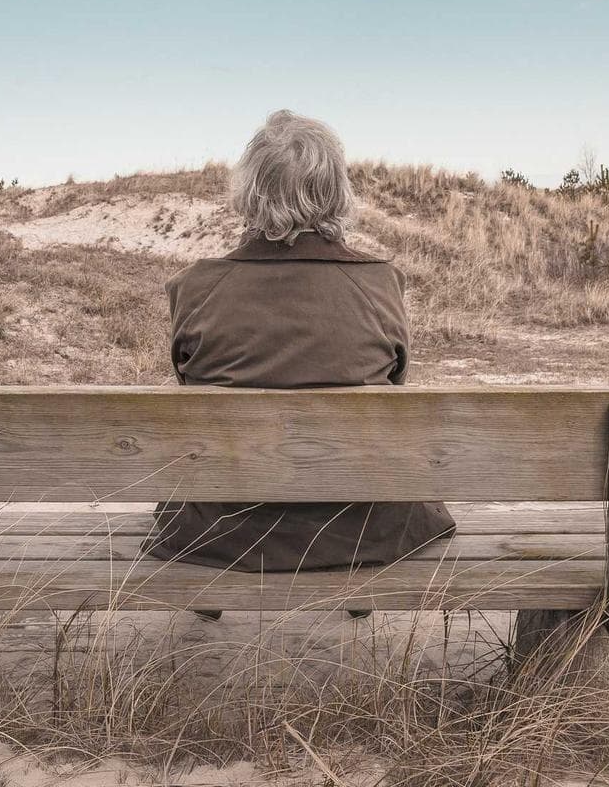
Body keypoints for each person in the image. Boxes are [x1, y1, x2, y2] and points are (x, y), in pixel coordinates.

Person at [144, 110, 455, 616]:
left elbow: (188, 383)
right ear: (337, 190)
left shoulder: (195, 288)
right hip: (362, 529)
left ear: (251, 193)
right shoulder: (380, 285)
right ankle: (355, 590)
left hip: (223, 532)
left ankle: (212, 590)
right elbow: (394, 385)